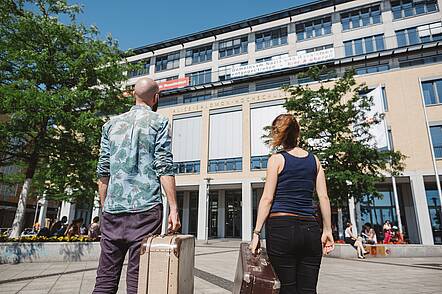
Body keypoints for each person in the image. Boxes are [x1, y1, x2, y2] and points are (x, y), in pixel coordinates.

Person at [93, 77, 181, 294]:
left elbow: (103, 171)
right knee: (138, 280)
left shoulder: (110, 125)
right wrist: (174, 208)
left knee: (105, 279)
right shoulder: (160, 122)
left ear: (134, 94)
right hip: (146, 209)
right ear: (156, 98)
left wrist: (104, 206)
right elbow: (164, 165)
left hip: (113, 210)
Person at [250, 114, 334, 294]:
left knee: (287, 288)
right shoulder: (315, 161)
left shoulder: (276, 160)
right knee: (308, 290)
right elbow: (323, 197)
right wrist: (327, 230)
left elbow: (267, 199)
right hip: (310, 230)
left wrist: (257, 233)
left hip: (282, 229)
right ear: (298, 133)